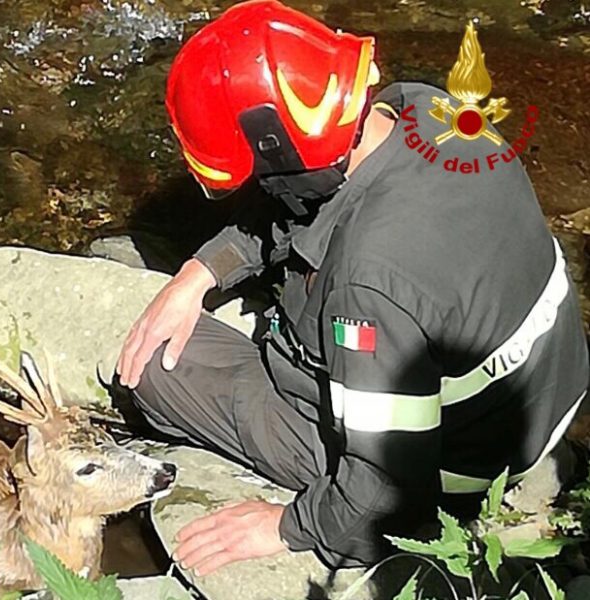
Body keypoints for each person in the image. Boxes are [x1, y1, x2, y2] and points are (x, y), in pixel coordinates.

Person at [115, 0, 590, 576]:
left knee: (161, 371)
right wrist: (201, 273)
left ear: (282, 158)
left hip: (463, 462)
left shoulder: (368, 287)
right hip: (550, 390)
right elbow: (307, 195)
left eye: (259, 172)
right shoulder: (419, 106)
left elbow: (385, 490)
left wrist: (291, 526)